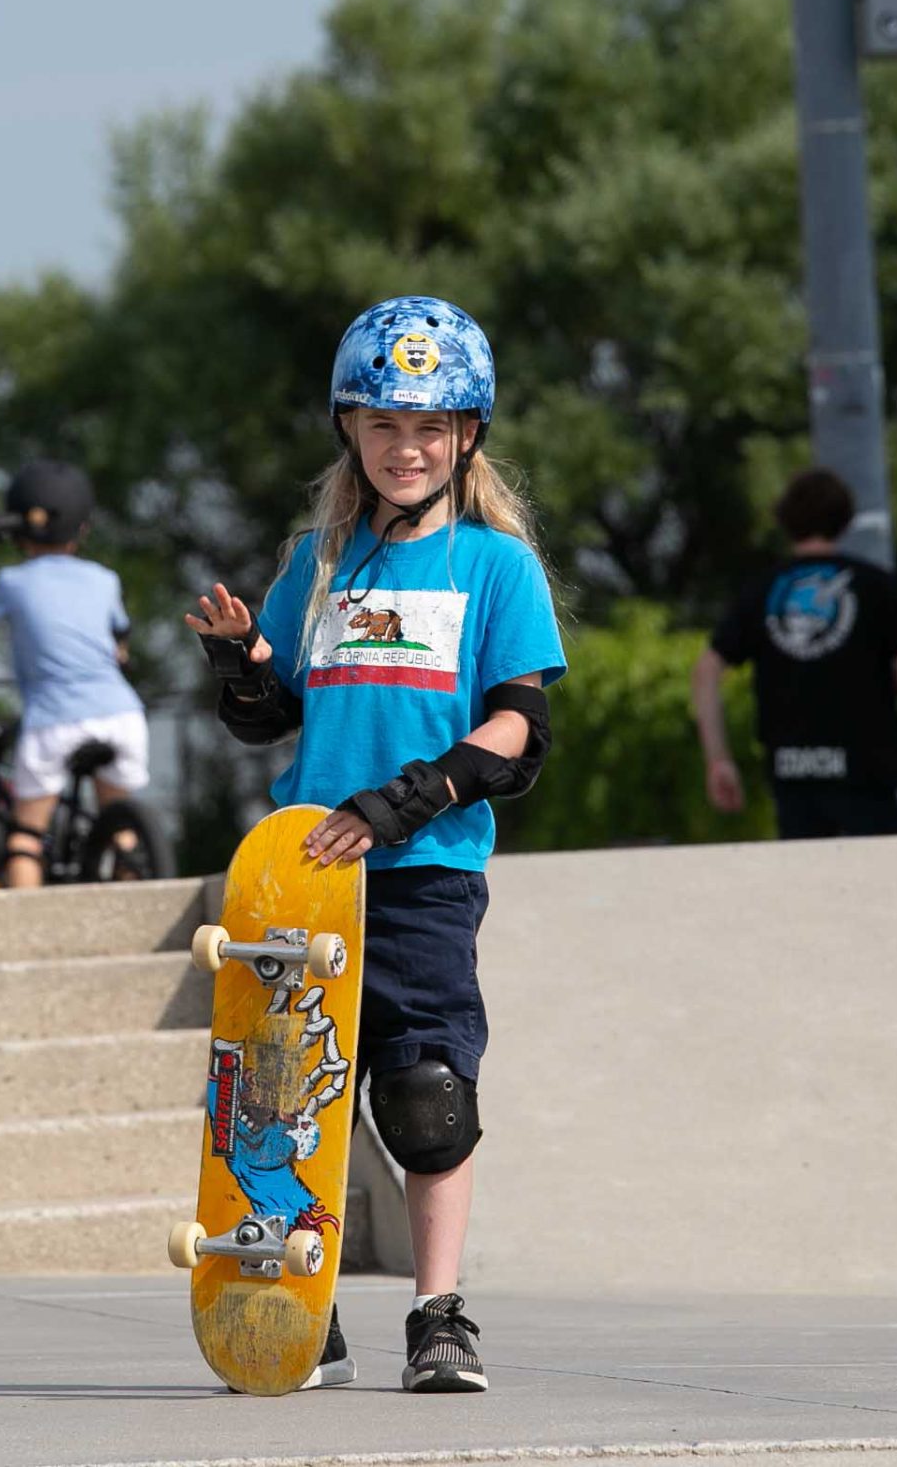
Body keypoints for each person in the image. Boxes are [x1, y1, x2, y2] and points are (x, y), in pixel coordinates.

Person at [185, 296, 562, 1395]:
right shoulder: (319, 560)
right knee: (290, 1103)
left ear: (466, 440)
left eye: (432, 429)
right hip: (304, 872)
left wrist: (408, 800)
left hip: (424, 870)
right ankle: (306, 1311)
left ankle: (438, 1316)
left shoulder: (495, 567)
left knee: (428, 1096)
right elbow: (273, 715)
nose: (409, 449)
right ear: (350, 431)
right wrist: (242, 657)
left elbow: (519, 729)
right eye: (387, 426)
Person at [691, 467, 897, 839]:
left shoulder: (761, 590)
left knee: (808, 886)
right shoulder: (875, 584)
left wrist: (718, 760)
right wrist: (871, 688)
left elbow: (706, 671)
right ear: (845, 519)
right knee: (882, 886)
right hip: (868, 769)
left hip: (791, 770)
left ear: (785, 521)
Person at [0, 460, 147, 889]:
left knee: (26, 837)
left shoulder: (11, 581)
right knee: (120, 827)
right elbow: (120, 641)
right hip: (122, 716)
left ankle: (30, 934)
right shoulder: (104, 579)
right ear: (82, 529)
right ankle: (133, 876)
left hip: (54, 721)